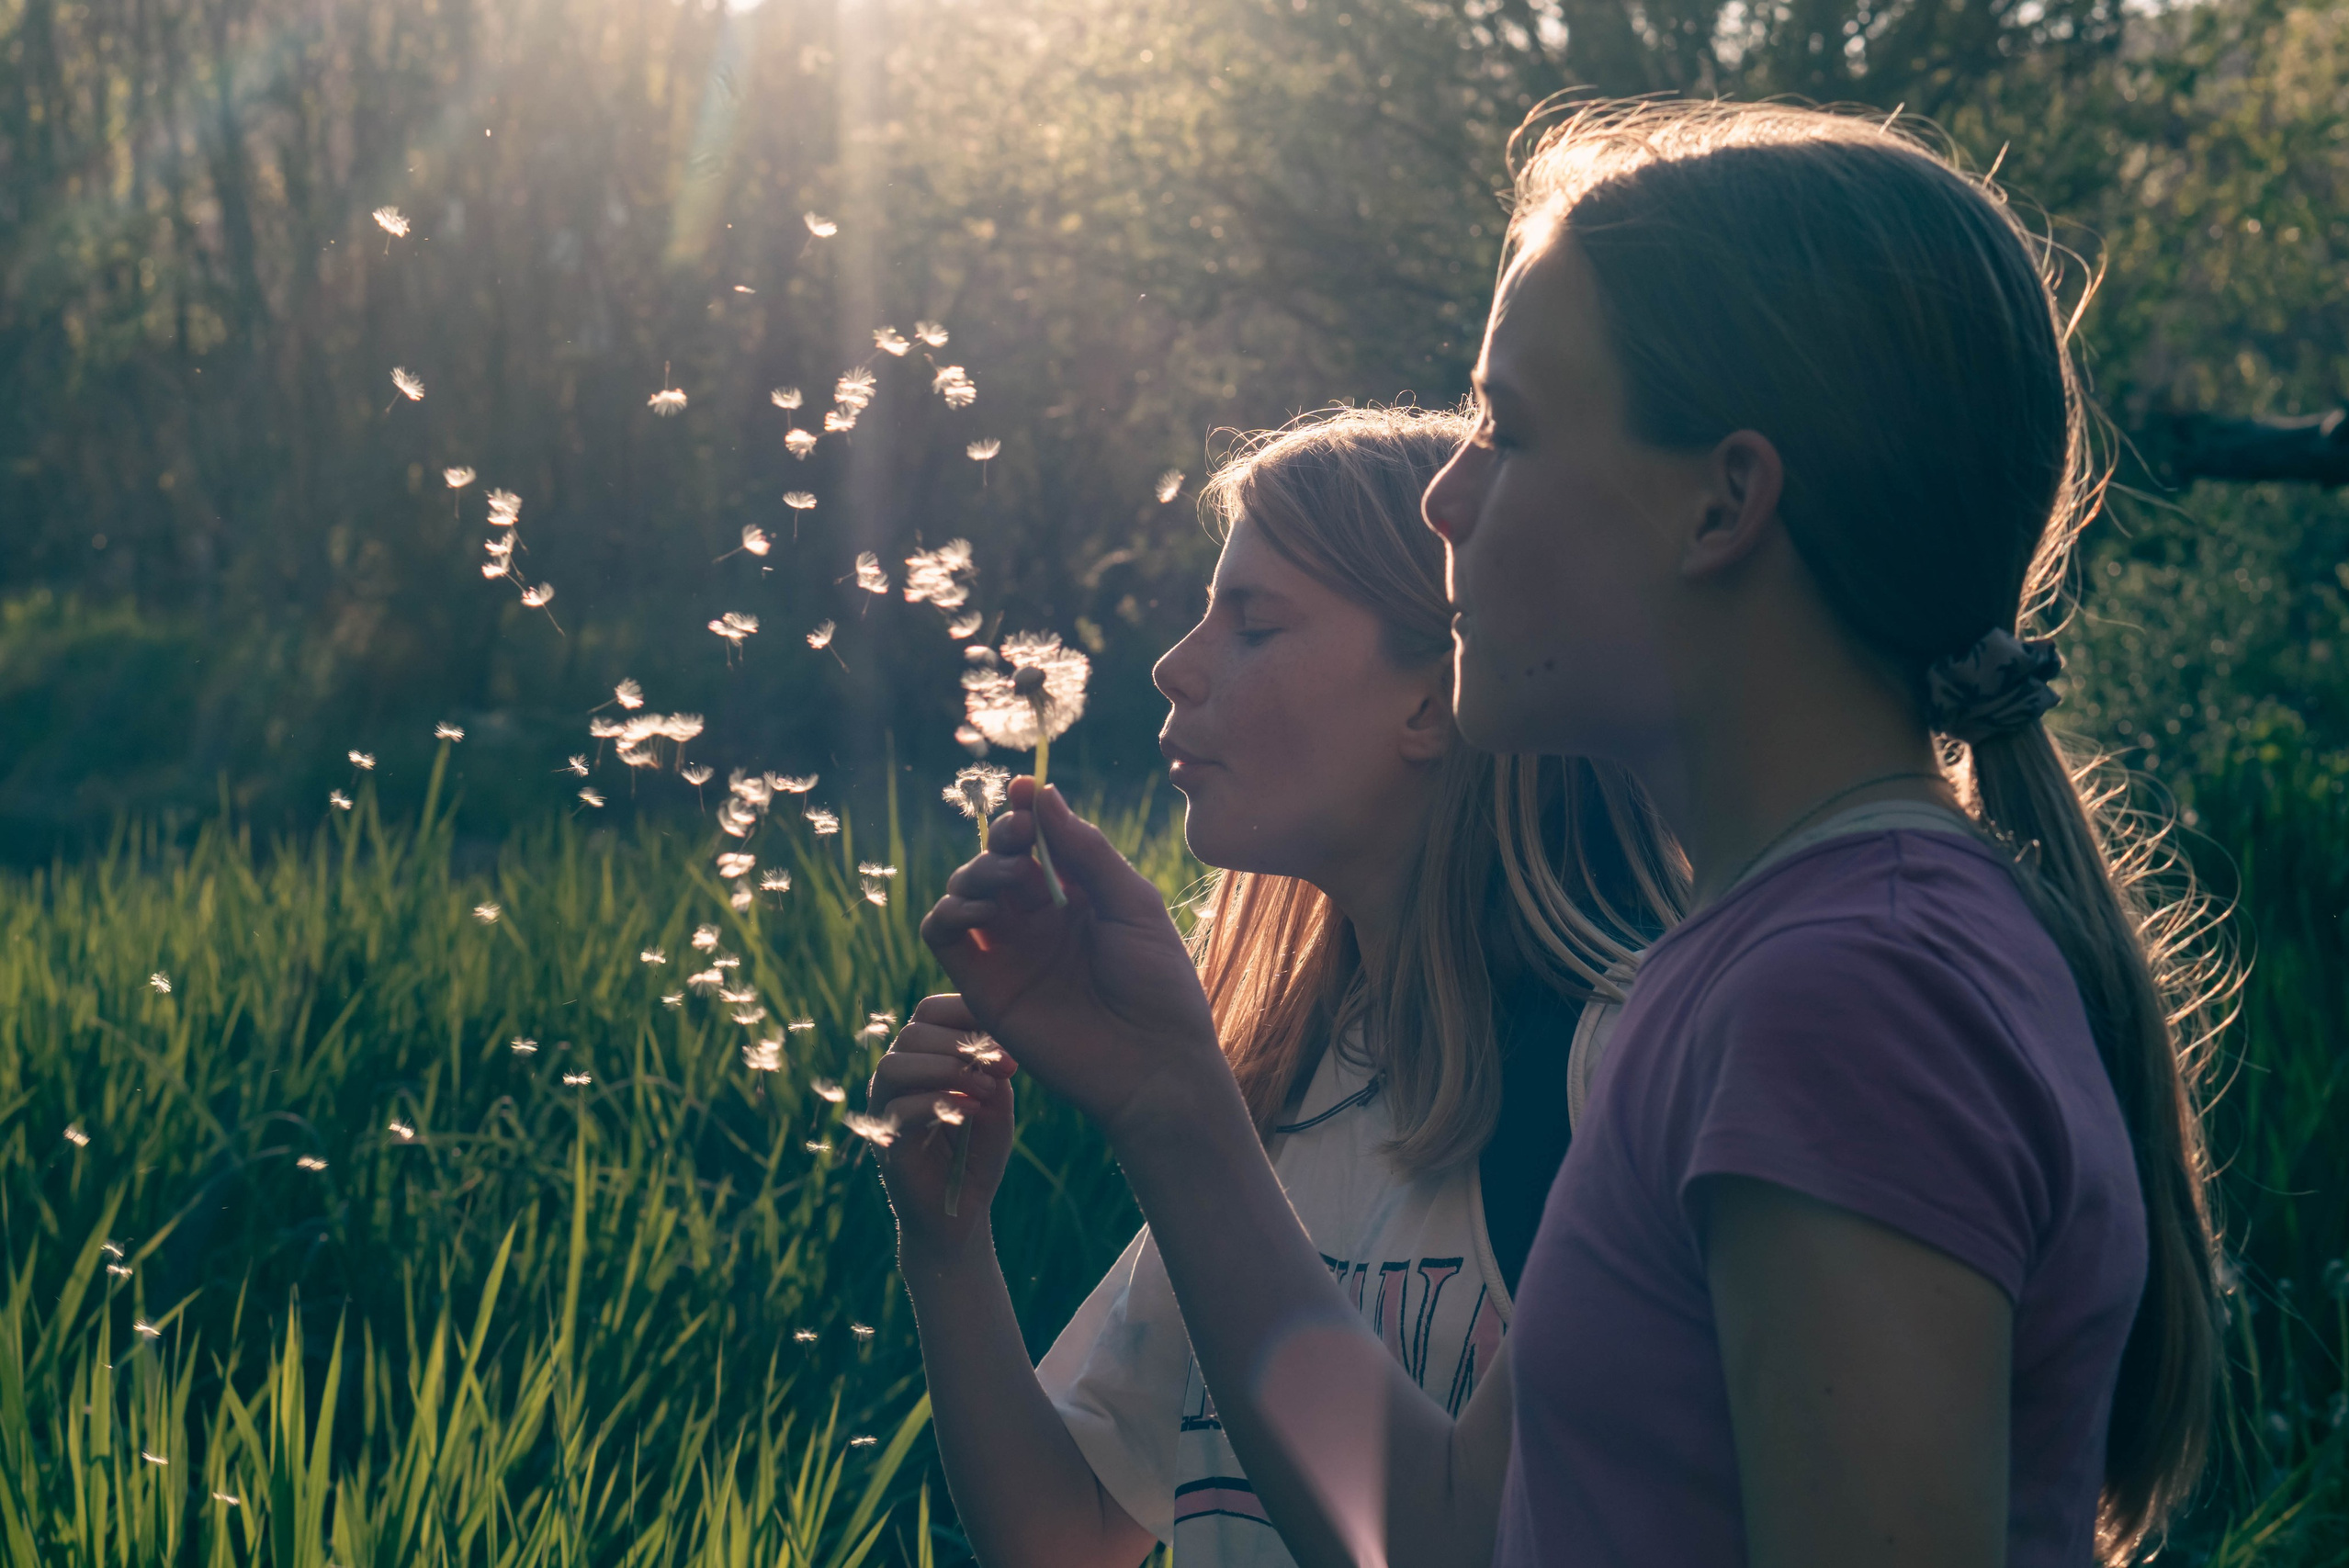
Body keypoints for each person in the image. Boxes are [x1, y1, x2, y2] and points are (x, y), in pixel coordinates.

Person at [913, 99, 2227, 1568]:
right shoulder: (1770, 966)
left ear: (1722, 504)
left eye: (1510, 427)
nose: (1446, 493)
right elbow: (1445, 1530)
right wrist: (1169, 1091)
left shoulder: (1849, 990)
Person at [868, 405, 1686, 1568]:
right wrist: (944, 1249)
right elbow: (1066, 1537)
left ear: (1433, 697)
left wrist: (1173, 1106)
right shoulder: (1293, 1082)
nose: (1173, 666)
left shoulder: (1626, 1066)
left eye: (1252, 623)